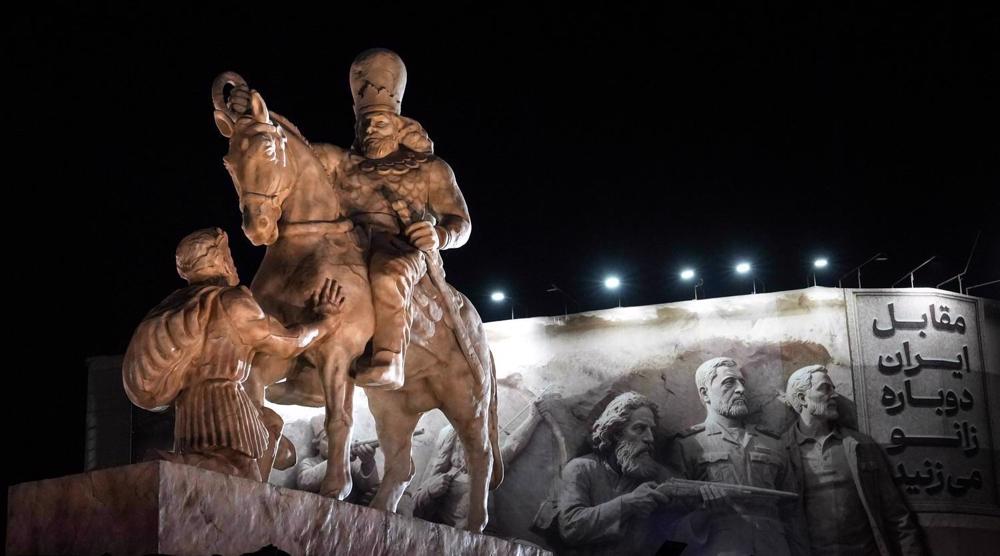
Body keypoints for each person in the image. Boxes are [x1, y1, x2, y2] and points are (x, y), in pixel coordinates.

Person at [123, 228, 345, 481]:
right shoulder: (231, 303)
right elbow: (288, 342)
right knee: (238, 473)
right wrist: (324, 323)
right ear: (219, 260)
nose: (233, 262)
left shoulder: (178, 306)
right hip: (224, 400)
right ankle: (170, 462)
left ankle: (190, 466)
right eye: (228, 254)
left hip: (189, 411)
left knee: (269, 428)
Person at [783, 365, 926, 556]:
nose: (834, 395)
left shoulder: (861, 446)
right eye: (825, 389)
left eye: (833, 388)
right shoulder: (781, 452)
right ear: (802, 398)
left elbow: (896, 515)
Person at [669, 357, 807, 555]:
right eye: (729, 382)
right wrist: (704, 512)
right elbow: (670, 523)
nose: (741, 389)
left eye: (741, 382)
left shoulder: (773, 443)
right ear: (705, 393)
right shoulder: (687, 445)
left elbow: (793, 513)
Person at [297, 414, 381, 505]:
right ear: (317, 444)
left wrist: (368, 463)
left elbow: (371, 487)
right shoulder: (309, 462)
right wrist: (338, 459)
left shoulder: (350, 463)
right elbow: (304, 482)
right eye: (327, 439)